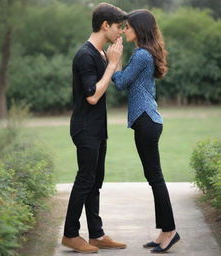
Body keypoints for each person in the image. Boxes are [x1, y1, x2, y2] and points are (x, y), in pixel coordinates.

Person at [112, 9, 180, 253]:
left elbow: (120, 83)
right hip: (147, 121)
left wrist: (114, 61)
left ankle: (170, 231)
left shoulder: (141, 55)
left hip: (146, 122)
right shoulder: (143, 53)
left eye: (127, 27)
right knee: (154, 178)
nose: (124, 30)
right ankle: (165, 231)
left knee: (155, 178)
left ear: (139, 29)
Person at [62, 3, 127, 254]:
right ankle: (70, 234)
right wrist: (111, 65)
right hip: (85, 128)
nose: (121, 32)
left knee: (95, 181)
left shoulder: (100, 54)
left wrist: (115, 60)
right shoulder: (85, 55)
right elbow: (92, 96)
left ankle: (96, 234)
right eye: (119, 27)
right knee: (85, 179)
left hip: (98, 128)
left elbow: (110, 81)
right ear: (105, 25)